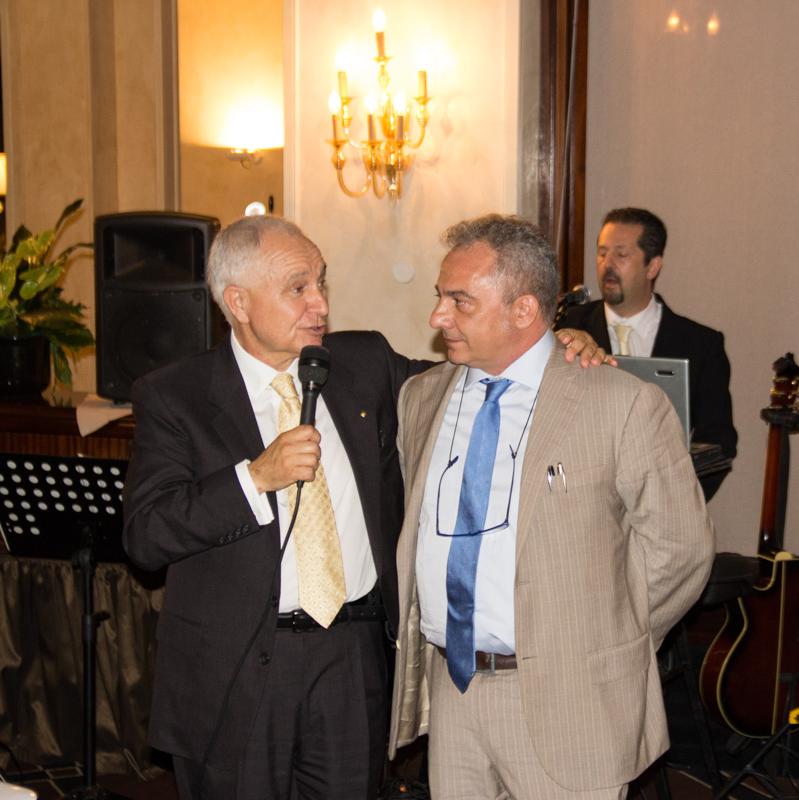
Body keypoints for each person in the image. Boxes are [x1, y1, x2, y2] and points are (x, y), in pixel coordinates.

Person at [121, 214, 607, 800]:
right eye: (298, 288)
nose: (321, 304)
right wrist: (255, 478)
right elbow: (146, 535)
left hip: (351, 655)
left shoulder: (362, 363)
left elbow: (472, 378)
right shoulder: (176, 395)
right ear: (238, 302)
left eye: (321, 282)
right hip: (236, 667)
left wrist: (551, 346)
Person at [388, 214, 714, 799]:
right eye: (440, 297)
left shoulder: (620, 403)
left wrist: (604, 639)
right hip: (453, 693)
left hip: (571, 701)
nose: (438, 317)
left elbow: (681, 550)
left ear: (523, 311)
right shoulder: (422, 397)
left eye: (460, 301)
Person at [556, 207, 737, 501]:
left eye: (621, 255)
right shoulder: (566, 329)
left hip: (664, 506)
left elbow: (719, 442)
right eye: (602, 253)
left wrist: (679, 504)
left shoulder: (700, 345)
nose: (607, 265)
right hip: (580, 506)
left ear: (652, 266)